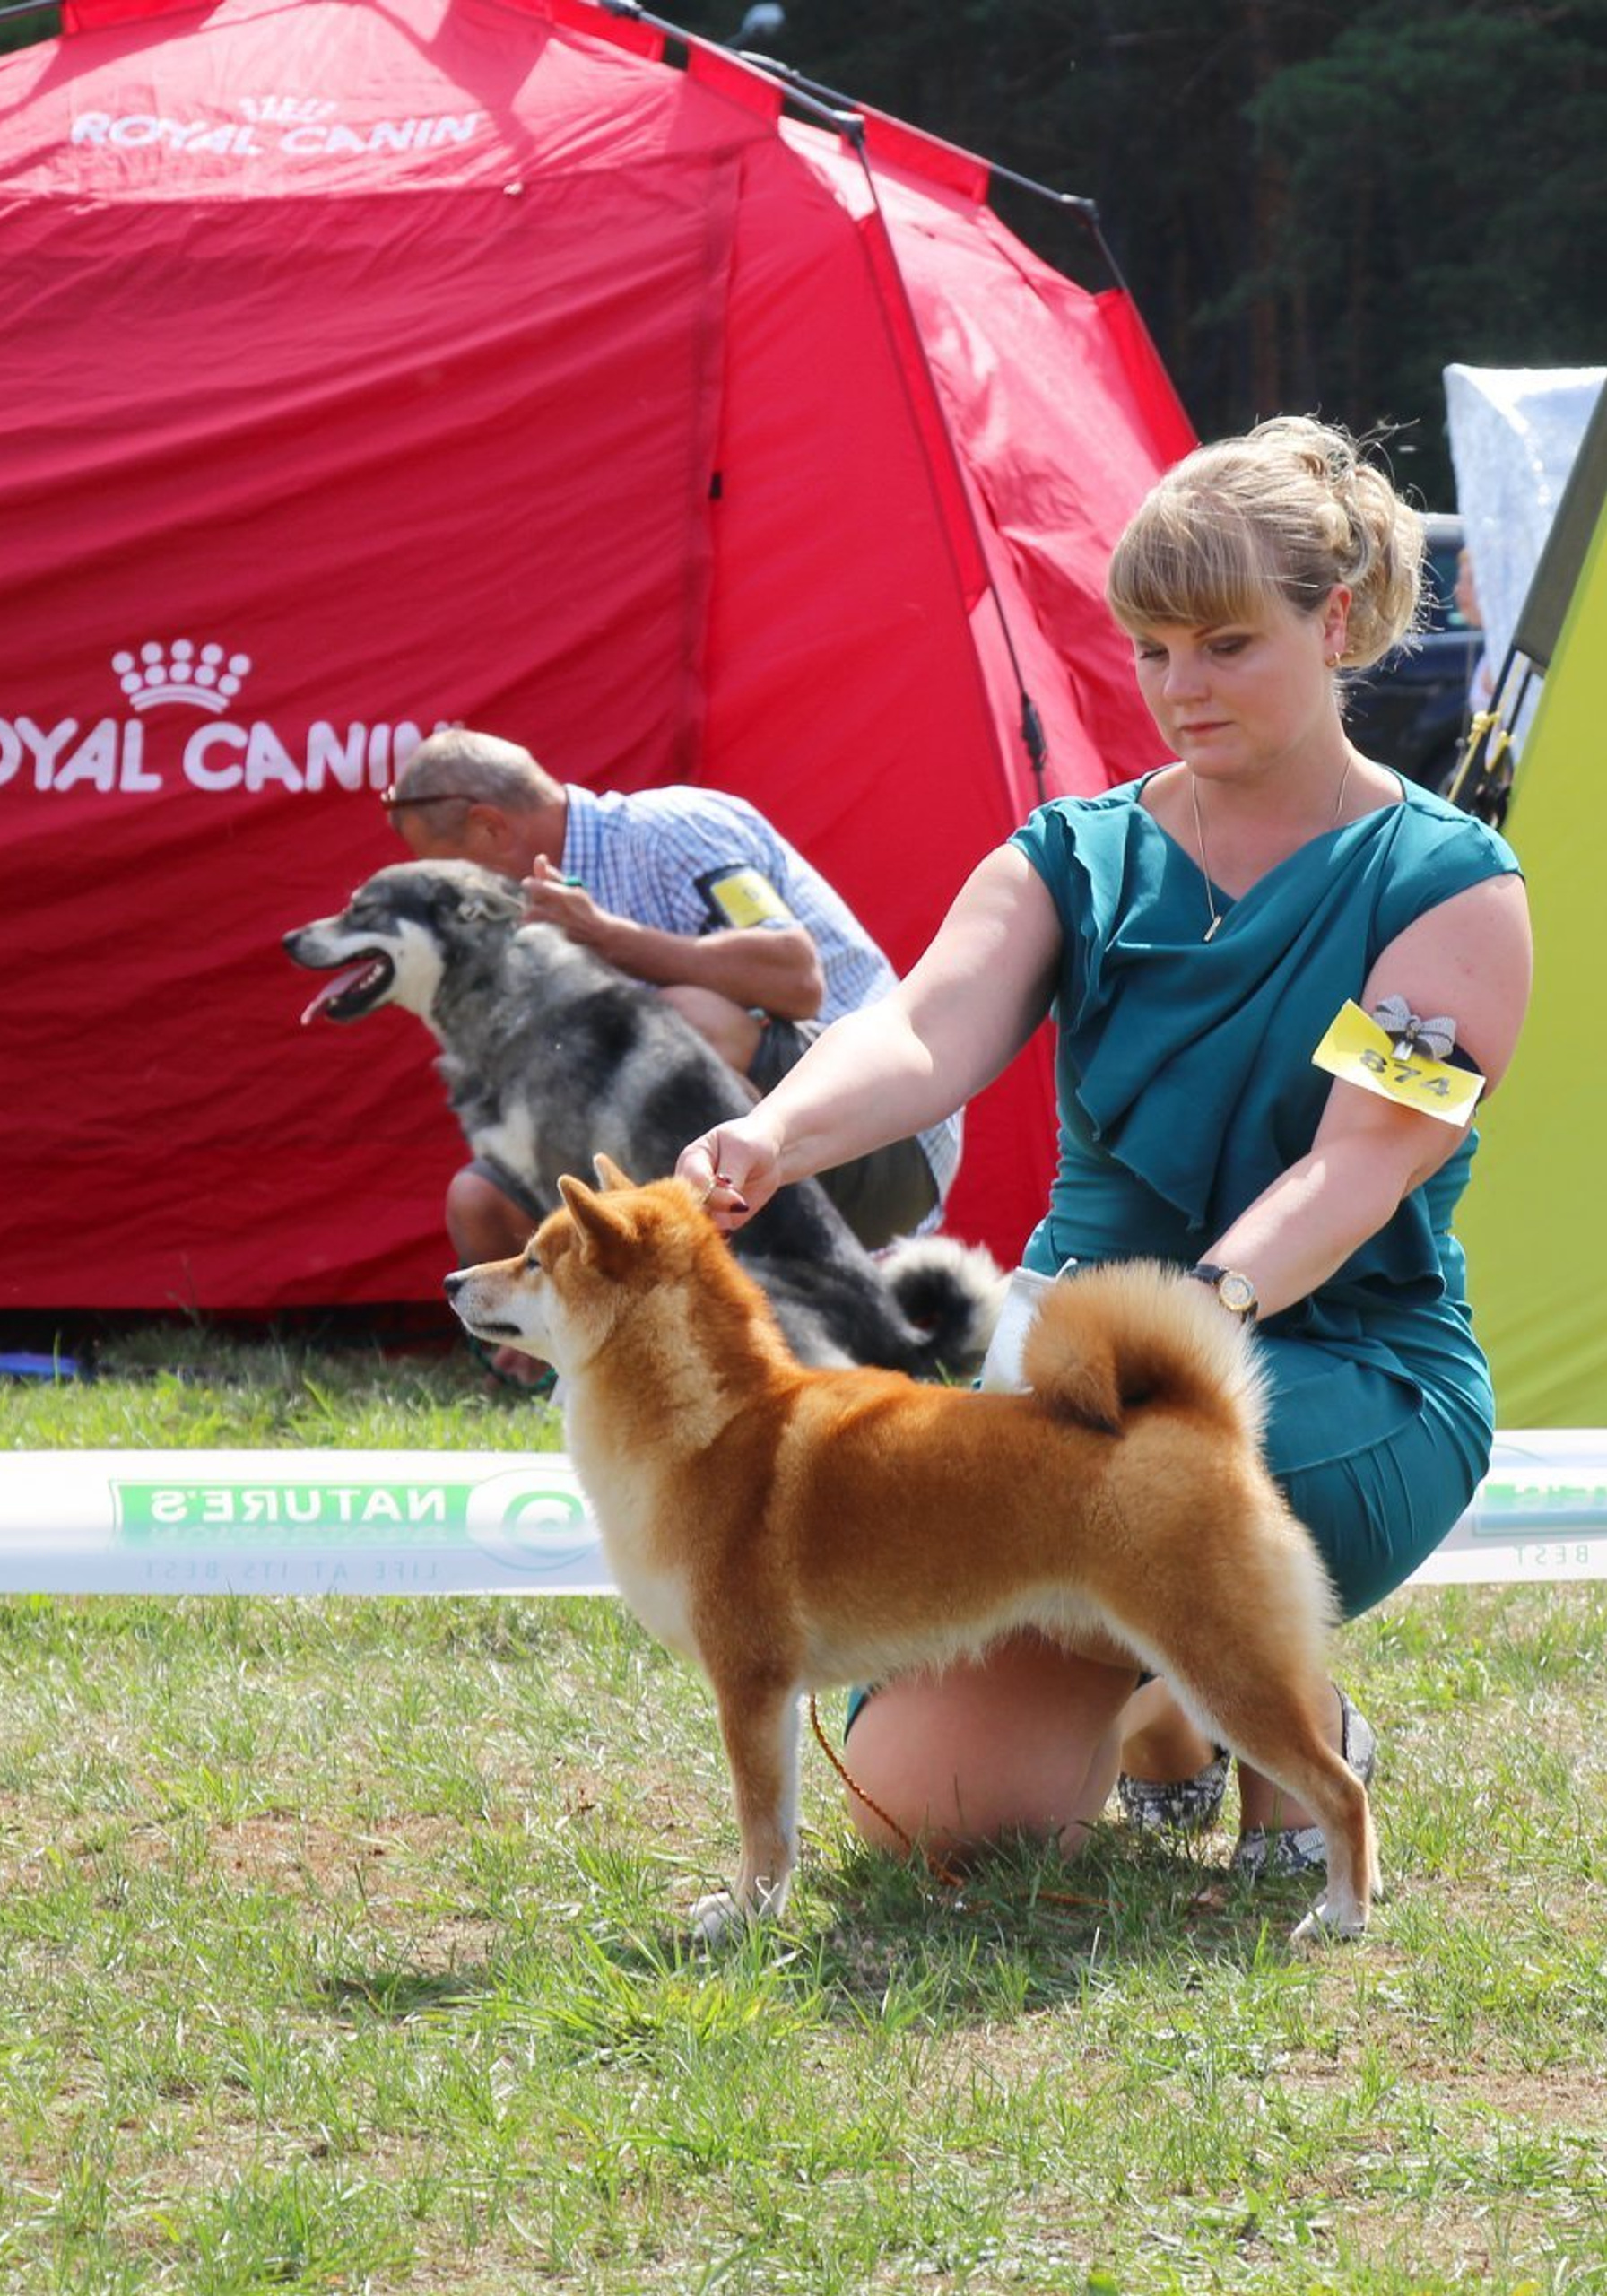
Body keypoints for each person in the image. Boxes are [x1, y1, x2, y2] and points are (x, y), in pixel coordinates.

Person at [675, 416, 1533, 1879]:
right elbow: (926, 1034)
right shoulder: (1073, 851)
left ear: (1334, 624)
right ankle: (1171, 1709)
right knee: (924, 1840)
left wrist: (1202, 1314)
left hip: (1334, 1371)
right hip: (1056, 1386)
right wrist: (769, 1132)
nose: (1179, 689)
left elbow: (1355, 1170)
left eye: (1223, 644)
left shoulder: (1449, 886)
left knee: (1164, 1481)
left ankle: (1286, 1721)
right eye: (1151, 651)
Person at [382, 728, 960, 1283]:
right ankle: (565, 1365)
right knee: (481, 1201)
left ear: (490, 829)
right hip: (740, 1142)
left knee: (681, 1024)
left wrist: (606, 937)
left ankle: (769, 1293)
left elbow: (796, 975)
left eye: (448, 876)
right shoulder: (521, 915)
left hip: (883, 1138)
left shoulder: (675, 828)